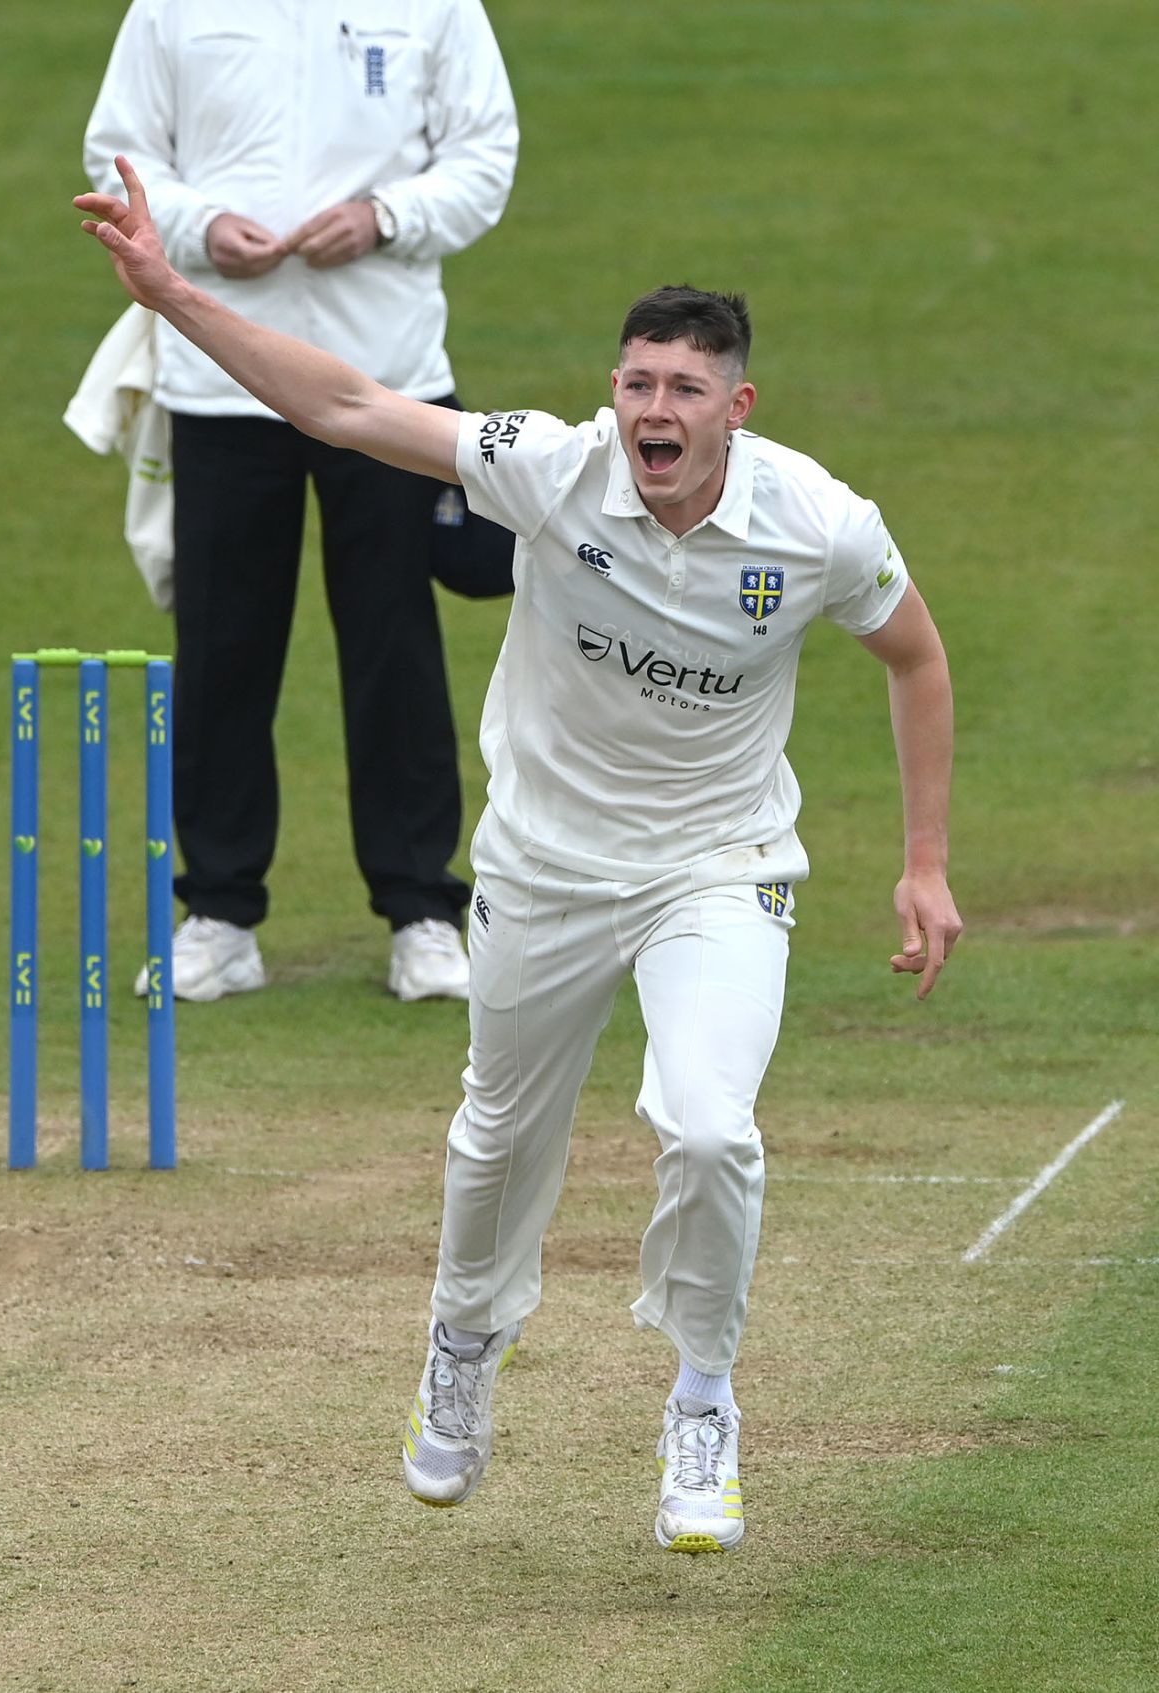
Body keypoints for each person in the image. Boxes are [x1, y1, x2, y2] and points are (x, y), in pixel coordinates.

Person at [77, 160, 964, 1552]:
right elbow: (345, 406)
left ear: (736, 407)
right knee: (499, 1137)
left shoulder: (818, 525)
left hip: (716, 867)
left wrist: (923, 861)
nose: (654, 410)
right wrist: (170, 292)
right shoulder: (552, 466)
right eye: (637, 383)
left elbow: (915, 657)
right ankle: (463, 1344)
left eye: (684, 389)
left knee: (710, 1129)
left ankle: (703, 1397)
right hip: (543, 867)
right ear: (614, 392)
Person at [83, 0, 519, 1004]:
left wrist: (385, 217)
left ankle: (420, 913)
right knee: (223, 644)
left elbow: (484, 156)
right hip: (220, 377)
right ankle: (219, 914)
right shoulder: (171, 8)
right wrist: (197, 228)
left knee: (393, 643)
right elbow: (120, 154)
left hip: (388, 379)